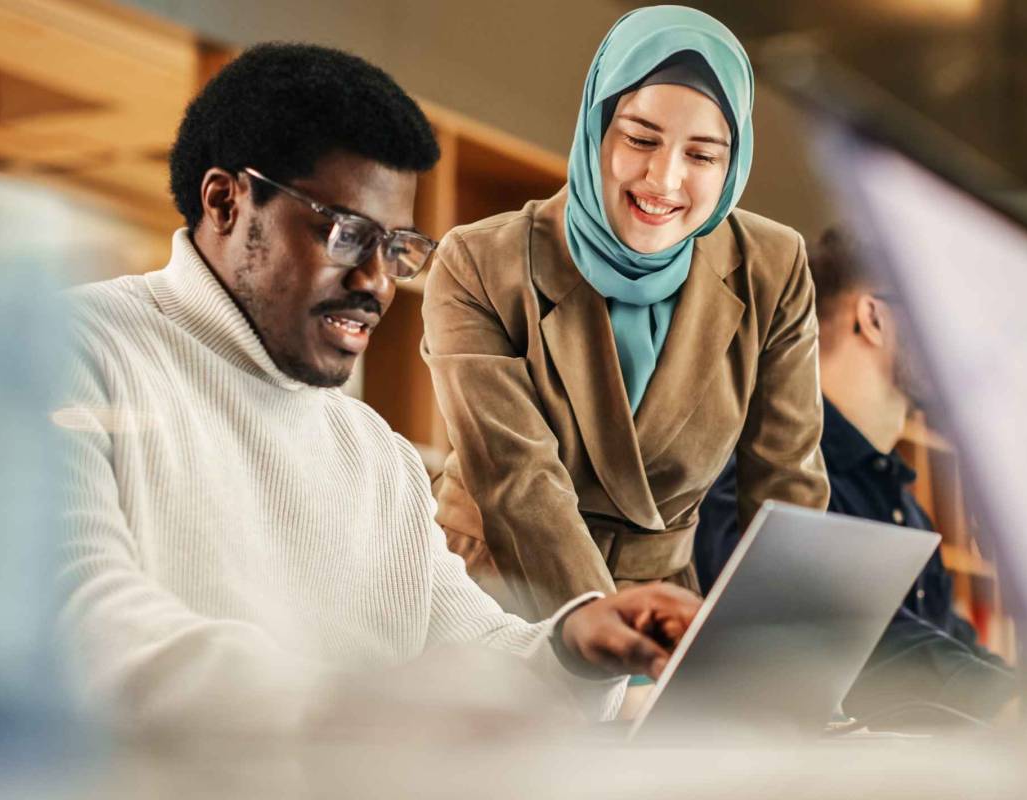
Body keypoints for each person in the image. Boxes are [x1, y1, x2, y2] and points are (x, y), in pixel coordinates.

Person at [53, 43, 700, 736]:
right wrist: (350, 713)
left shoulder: (374, 454)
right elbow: (81, 618)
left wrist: (571, 646)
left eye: (397, 249)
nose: (378, 283)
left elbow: (475, 652)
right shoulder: (69, 350)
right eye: (345, 234)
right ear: (225, 201)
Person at [422, 6, 829, 621]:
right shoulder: (479, 263)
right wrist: (604, 640)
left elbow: (787, 490)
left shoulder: (773, 266)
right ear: (597, 127)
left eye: (703, 155)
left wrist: (787, 659)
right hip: (497, 594)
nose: (663, 179)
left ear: (733, 166)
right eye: (640, 139)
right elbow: (521, 487)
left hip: (663, 601)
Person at [694, 228, 1017, 724]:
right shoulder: (762, 466)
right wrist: (1003, 701)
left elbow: (950, 640)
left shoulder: (905, 508)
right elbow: (811, 628)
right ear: (874, 318)